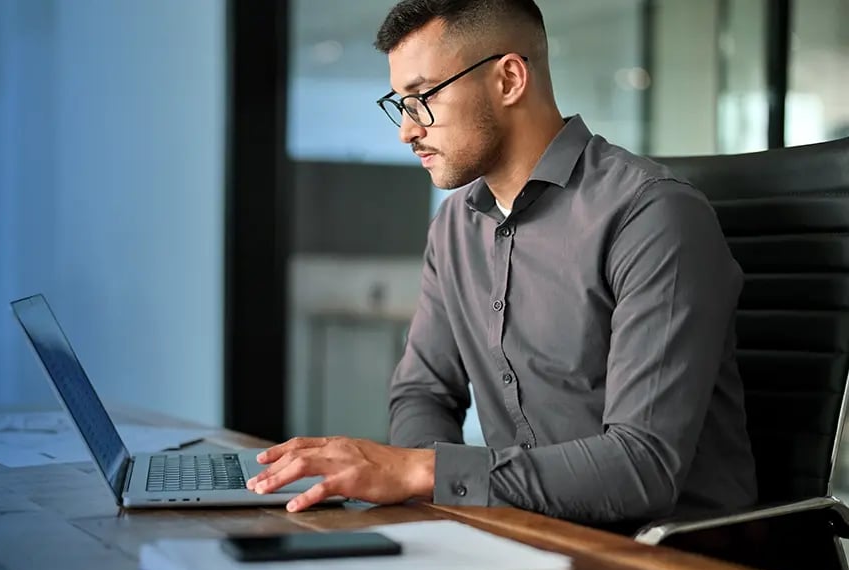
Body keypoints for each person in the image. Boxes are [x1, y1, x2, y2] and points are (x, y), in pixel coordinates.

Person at [246, 0, 757, 526]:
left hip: (673, 560)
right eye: (399, 104)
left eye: (422, 98)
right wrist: (431, 494)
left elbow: (641, 467)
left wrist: (426, 472)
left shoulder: (650, 214)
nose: (406, 130)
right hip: (524, 533)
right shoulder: (454, 228)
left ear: (509, 79)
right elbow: (422, 392)